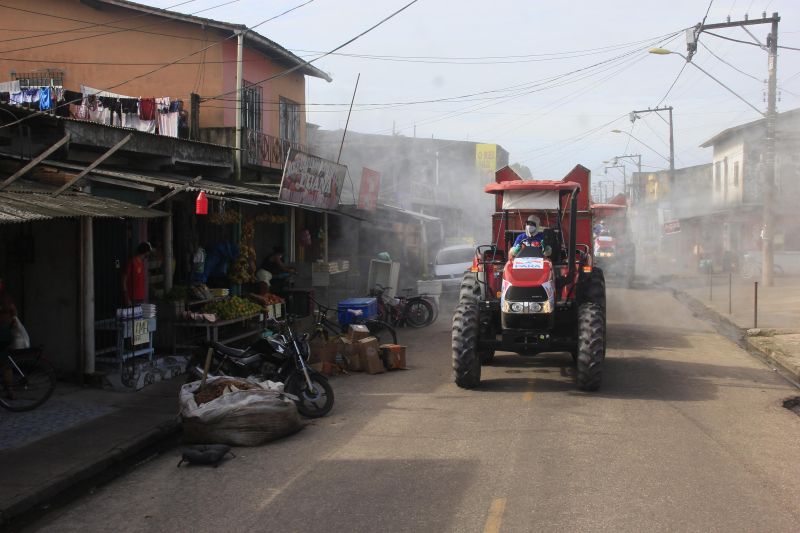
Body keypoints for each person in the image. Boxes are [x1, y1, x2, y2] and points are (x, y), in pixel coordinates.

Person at [0, 277, 18, 399]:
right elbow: (14, 312)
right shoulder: (6, 297)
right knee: (5, 363)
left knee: (4, 363)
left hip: (2, 333)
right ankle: (9, 390)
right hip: (6, 332)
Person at [122, 242, 152, 306]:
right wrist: (126, 297)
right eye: (148, 252)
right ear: (145, 252)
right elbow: (124, 279)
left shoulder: (142, 262)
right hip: (132, 297)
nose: (149, 254)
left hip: (140, 297)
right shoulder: (132, 262)